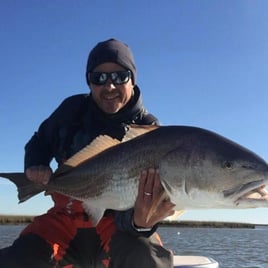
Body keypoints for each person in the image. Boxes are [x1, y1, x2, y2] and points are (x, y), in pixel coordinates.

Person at [0, 38, 176, 268]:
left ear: (133, 80)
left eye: (120, 76)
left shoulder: (150, 131)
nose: (109, 86)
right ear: (89, 83)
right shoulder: (71, 111)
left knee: (145, 258)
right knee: (16, 260)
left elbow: (145, 209)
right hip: (64, 220)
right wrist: (36, 165)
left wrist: (139, 224)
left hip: (116, 223)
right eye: (99, 78)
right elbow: (39, 143)